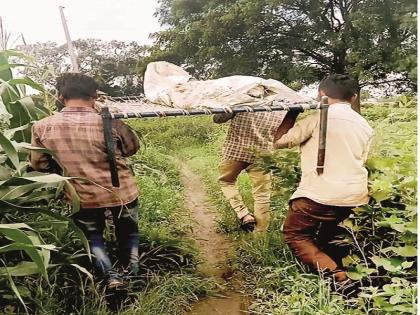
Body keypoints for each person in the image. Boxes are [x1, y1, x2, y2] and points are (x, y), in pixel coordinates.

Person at [31, 73, 140, 289]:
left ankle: (112, 278)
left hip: (81, 195)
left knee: (93, 237)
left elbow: (39, 165)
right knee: (129, 233)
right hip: (122, 191)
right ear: (96, 96)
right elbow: (131, 149)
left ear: (60, 97)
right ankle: (133, 274)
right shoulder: (110, 122)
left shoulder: (42, 126)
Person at [274, 74, 374, 284]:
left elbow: (280, 142)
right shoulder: (364, 125)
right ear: (354, 97)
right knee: (333, 236)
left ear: (321, 94)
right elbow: (362, 160)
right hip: (356, 196)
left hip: (318, 195)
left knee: (296, 235)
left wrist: (292, 113)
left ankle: (338, 277)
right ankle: (347, 271)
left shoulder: (317, 118)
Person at [213, 111, 285, 234]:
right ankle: (260, 235)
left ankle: (244, 214)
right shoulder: (281, 108)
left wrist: (232, 108)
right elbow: (282, 133)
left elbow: (217, 119)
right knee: (262, 194)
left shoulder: (241, 102)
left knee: (226, 182)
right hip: (262, 155)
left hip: (235, 152)